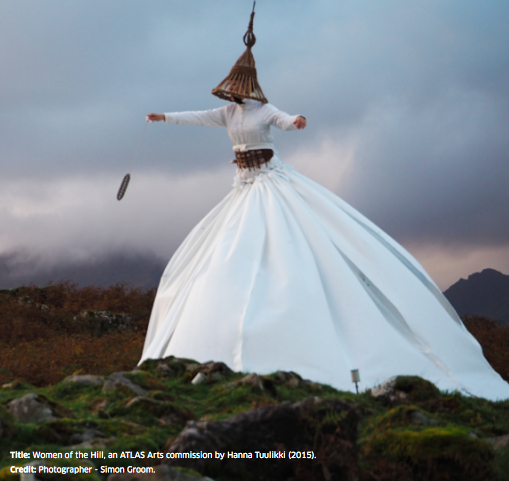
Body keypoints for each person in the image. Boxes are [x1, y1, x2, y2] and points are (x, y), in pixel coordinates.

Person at [139, 8, 509, 401]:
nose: (236, 95)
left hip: (268, 179)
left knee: (287, 237)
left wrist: (296, 120)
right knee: (229, 250)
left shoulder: (264, 110)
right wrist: (163, 117)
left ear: (247, 87)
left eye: (239, 90)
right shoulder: (227, 113)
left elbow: (282, 119)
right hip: (243, 184)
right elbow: (196, 117)